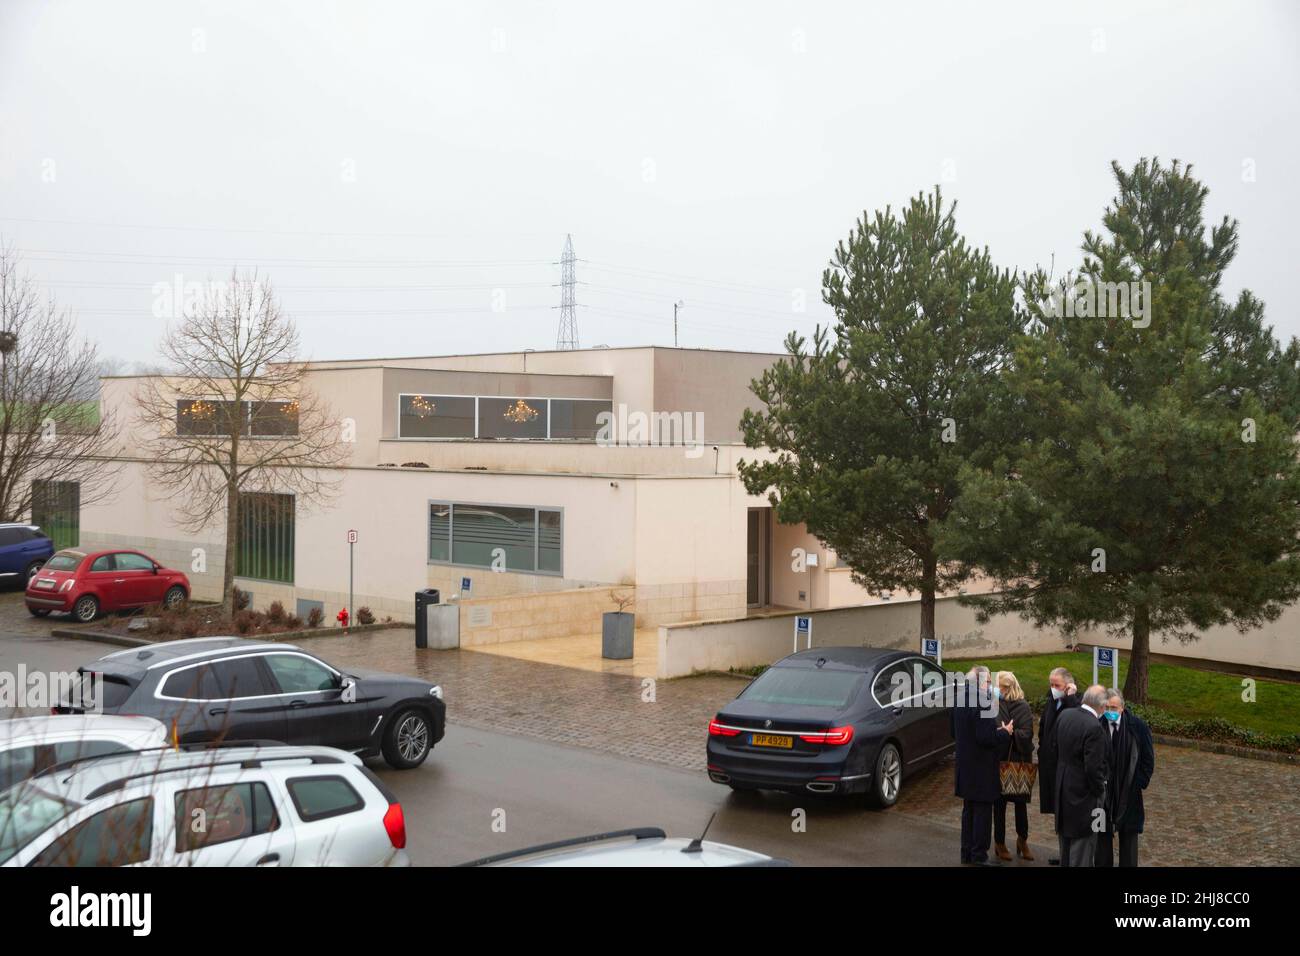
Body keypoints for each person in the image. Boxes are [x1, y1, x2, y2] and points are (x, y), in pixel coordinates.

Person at [950, 665, 1013, 866]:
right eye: (988, 682)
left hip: (965, 765)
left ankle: (966, 852)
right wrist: (1005, 732)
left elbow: (953, 731)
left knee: (968, 810)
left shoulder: (959, 698)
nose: (991, 686)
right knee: (983, 813)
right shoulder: (983, 702)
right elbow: (986, 737)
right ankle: (979, 855)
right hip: (982, 768)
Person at [1095, 688, 1155, 867]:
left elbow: (1147, 759)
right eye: (1107, 708)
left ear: (1122, 708)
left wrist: (1139, 783)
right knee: (1101, 839)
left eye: (1114, 708)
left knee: (1129, 841)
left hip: (1129, 791)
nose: (1110, 712)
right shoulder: (1097, 725)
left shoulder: (1138, 727)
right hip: (1103, 792)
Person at [1053, 684, 1110, 867]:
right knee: (1083, 853)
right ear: (1101, 707)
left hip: (1062, 792)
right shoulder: (1095, 727)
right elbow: (1093, 769)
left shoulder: (1065, 714)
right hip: (1084, 800)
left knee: (1065, 851)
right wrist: (1101, 790)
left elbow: (1054, 748)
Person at [1037, 666, 1079, 865]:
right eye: (1051, 684)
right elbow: (1044, 727)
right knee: (1058, 814)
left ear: (1068, 685)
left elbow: (1074, 722)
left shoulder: (1074, 703)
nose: (1053, 688)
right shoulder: (1051, 701)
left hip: (1066, 769)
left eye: (1057, 685)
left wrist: (1070, 697)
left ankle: (1069, 856)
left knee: (1068, 813)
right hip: (1050, 766)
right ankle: (1063, 855)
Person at [992, 671, 1035, 862]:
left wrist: (1009, 733)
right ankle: (999, 843)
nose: (996, 690)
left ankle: (1022, 839)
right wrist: (1000, 732)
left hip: (1018, 761)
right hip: (997, 760)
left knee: (1020, 804)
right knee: (998, 804)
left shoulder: (1023, 707)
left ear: (1008, 688)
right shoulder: (993, 704)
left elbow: (1027, 735)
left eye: (999, 687)